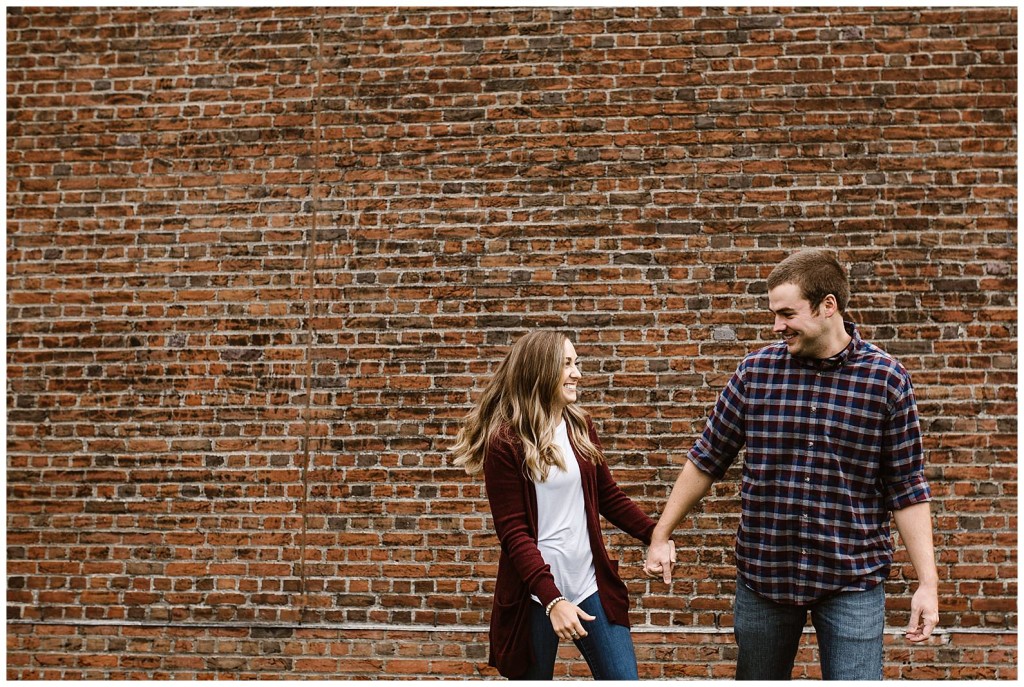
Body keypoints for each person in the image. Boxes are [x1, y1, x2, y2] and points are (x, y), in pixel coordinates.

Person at [644, 249, 940, 680]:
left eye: (787, 313)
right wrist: (661, 533)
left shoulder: (886, 380)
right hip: (765, 576)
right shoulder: (755, 374)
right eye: (774, 314)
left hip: (851, 579)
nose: (776, 326)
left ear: (828, 306)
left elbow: (907, 487)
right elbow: (706, 459)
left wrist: (927, 583)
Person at [452, 331, 664, 680]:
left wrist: (656, 534)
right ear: (541, 370)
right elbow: (515, 535)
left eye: (576, 363)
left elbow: (608, 495)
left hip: (589, 584)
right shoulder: (505, 441)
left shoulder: (578, 425)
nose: (577, 373)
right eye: (567, 364)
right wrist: (552, 600)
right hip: (535, 595)